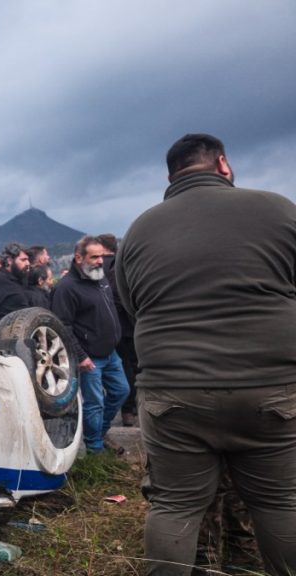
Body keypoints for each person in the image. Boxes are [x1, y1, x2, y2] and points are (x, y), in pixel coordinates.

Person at [116, 134, 296, 575]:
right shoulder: (278, 209)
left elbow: (131, 304)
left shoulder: (140, 228)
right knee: (280, 500)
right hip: (270, 387)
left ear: (170, 176)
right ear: (223, 163)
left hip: (173, 391)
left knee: (174, 505)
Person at [51, 235, 128, 454]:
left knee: (121, 391)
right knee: (94, 403)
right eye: (94, 257)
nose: (99, 261)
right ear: (78, 258)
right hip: (90, 357)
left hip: (111, 353)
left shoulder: (100, 278)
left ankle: (100, 433)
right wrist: (80, 355)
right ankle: (95, 449)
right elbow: (63, 326)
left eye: (102, 256)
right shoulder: (67, 288)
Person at [97, 233, 139, 427]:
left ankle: (128, 409)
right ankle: (130, 408)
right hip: (129, 323)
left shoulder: (97, 268)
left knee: (124, 367)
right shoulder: (120, 265)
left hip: (111, 327)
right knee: (133, 365)